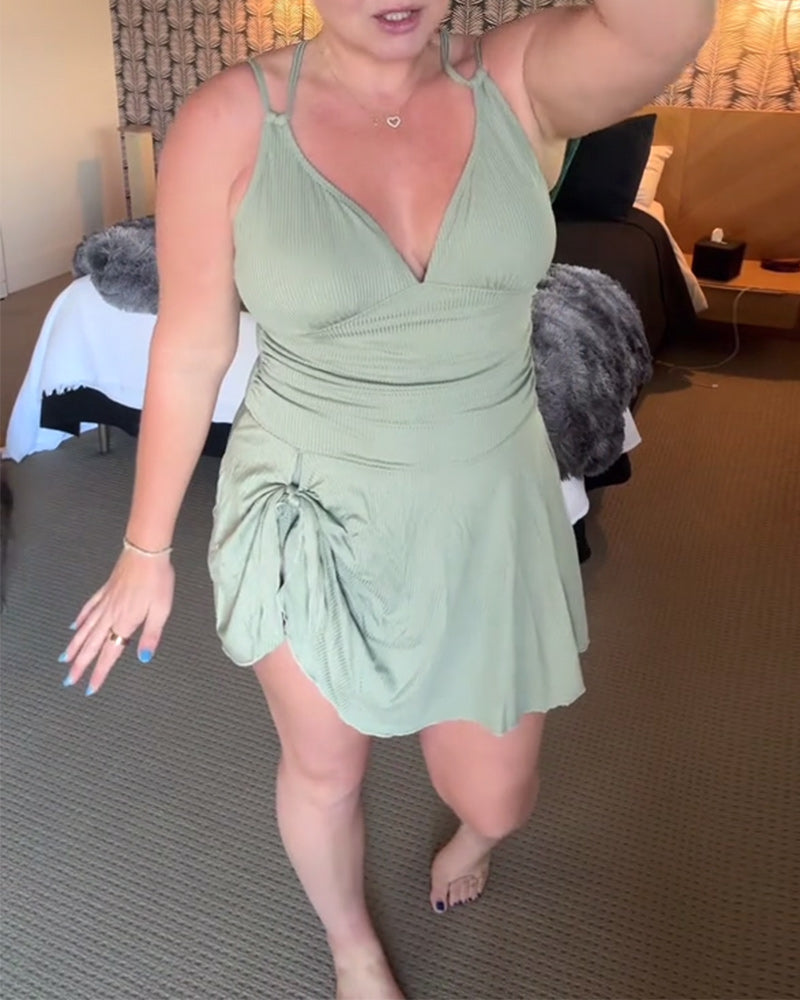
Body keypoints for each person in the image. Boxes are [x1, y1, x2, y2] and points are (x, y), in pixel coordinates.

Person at [59, 2, 715, 996]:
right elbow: (191, 347)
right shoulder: (230, 118)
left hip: (486, 507)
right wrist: (145, 548)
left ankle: (475, 838)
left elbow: (663, 24)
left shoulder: (517, 78)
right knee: (324, 770)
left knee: (495, 795)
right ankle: (350, 944)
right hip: (306, 503)